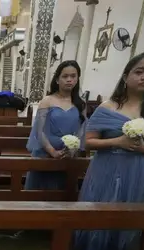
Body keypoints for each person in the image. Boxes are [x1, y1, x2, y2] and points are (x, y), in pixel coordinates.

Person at [73, 52, 144, 250]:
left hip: (140, 169)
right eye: (139, 71)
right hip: (107, 168)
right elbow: (88, 142)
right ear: (126, 76)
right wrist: (118, 141)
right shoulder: (108, 107)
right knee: (101, 210)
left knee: (131, 212)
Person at [25, 60, 85, 190]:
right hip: (45, 154)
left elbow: (81, 130)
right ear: (57, 80)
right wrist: (52, 151)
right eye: (65, 76)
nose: (69, 80)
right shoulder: (48, 101)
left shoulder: (80, 104)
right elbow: (39, 130)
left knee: (63, 195)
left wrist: (73, 149)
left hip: (68, 156)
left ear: (77, 79)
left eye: (73, 76)